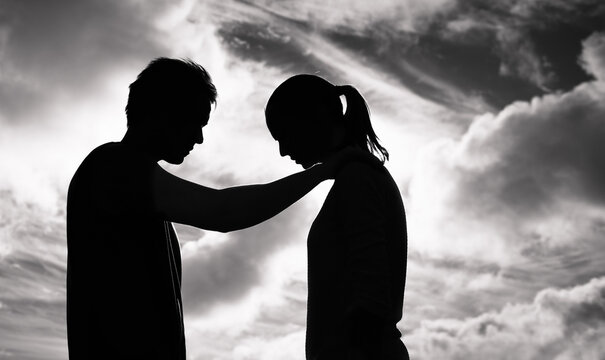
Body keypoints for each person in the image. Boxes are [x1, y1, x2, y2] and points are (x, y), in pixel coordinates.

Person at [66, 58, 364, 360]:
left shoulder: (133, 186)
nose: (199, 137)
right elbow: (223, 211)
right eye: (195, 121)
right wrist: (323, 171)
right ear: (165, 112)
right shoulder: (114, 166)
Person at [265, 74, 409, 360]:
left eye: (284, 134)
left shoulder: (357, 178)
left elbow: (371, 299)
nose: (282, 151)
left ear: (313, 119)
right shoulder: (355, 176)